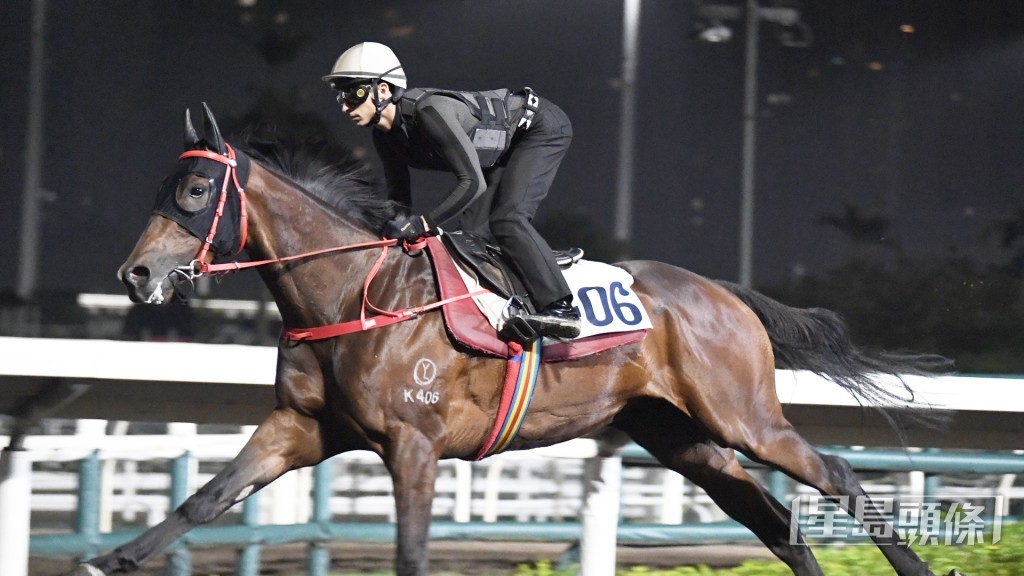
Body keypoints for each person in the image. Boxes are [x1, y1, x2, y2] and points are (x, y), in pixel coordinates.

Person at [323, 41, 580, 340]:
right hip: (499, 154)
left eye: (353, 94)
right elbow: (399, 201)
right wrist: (379, 232)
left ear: (382, 90)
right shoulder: (386, 138)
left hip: (540, 129)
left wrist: (423, 224)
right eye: (340, 97)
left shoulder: (430, 112)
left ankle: (562, 308)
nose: (344, 106)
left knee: (508, 220)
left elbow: (472, 183)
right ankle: (529, 270)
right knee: (469, 237)